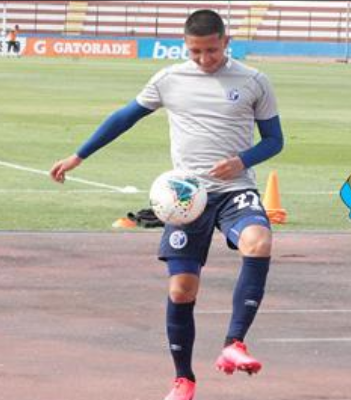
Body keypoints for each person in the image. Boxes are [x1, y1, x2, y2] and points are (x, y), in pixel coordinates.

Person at [50, 9, 284, 400]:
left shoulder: (254, 81)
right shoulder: (169, 79)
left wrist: (242, 161)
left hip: (235, 189)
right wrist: (79, 156)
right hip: (186, 196)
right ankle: (183, 380)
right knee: (181, 291)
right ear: (185, 46)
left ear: (226, 42)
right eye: (195, 51)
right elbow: (124, 117)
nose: (204, 59)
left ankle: (234, 343)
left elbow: (275, 140)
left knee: (258, 242)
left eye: (212, 50)